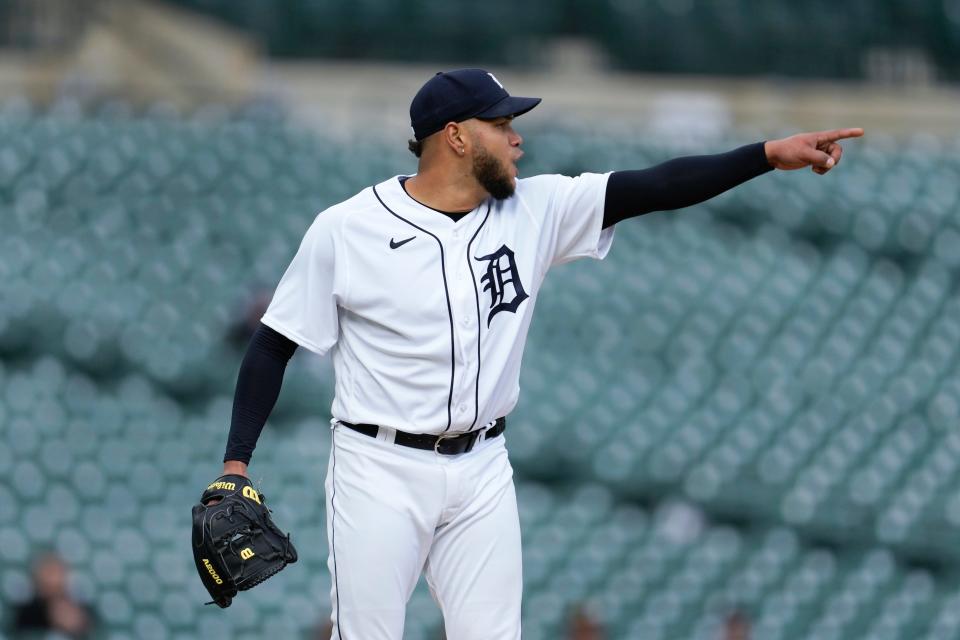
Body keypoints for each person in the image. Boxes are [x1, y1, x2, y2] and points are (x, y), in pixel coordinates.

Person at [217, 68, 862, 639]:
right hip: (378, 468)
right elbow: (272, 346)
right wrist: (236, 465)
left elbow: (657, 186)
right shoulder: (348, 228)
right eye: (502, 124)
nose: (518, 137)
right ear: (457, 137)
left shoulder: (536, 208)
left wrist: (767, 154)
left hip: (483, 469)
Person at [8, 552, 95, 639]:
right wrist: (50, 615)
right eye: (49, 572)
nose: (53, 579)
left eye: (56, 572)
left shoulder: (79, 605)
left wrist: (77, 622)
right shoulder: (27, 610)